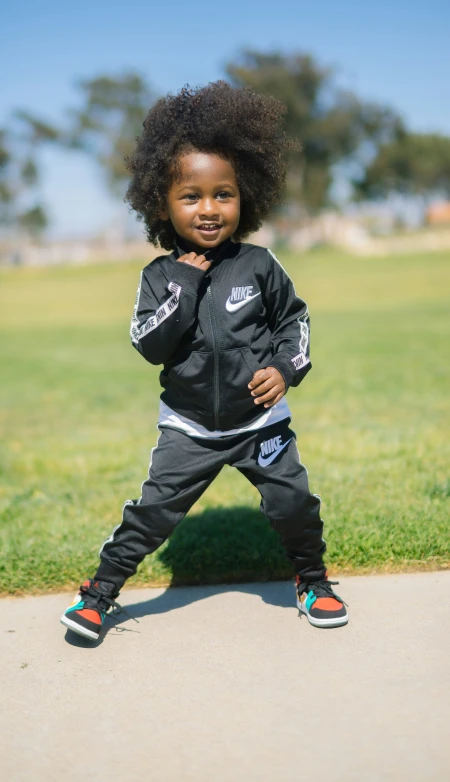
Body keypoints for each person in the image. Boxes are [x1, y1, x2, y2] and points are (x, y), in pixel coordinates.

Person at [60, 82, 348, 640]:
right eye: (191, 196)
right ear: (161, 204)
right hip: (189, 428)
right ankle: (98, 596)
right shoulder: (161, 277)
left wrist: (286, 370)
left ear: (247, 197)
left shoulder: (261, 265)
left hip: (260, 423)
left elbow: (297, 322)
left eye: (224, 194)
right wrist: (186, 285)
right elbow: (149, 344)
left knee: (293, 503)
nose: (210, 208)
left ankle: (313, 580)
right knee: (151, 517)